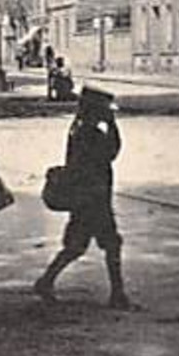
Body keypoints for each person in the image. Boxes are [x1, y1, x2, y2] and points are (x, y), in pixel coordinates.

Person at [32, 86, 133, 309]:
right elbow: (111, 151)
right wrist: (113, 124)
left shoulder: (79, 128)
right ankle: (117, 294)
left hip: (87, 197)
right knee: (110, 243)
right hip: (93, 197)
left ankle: (46, 281)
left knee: (77, 246)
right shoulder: (90, 132)